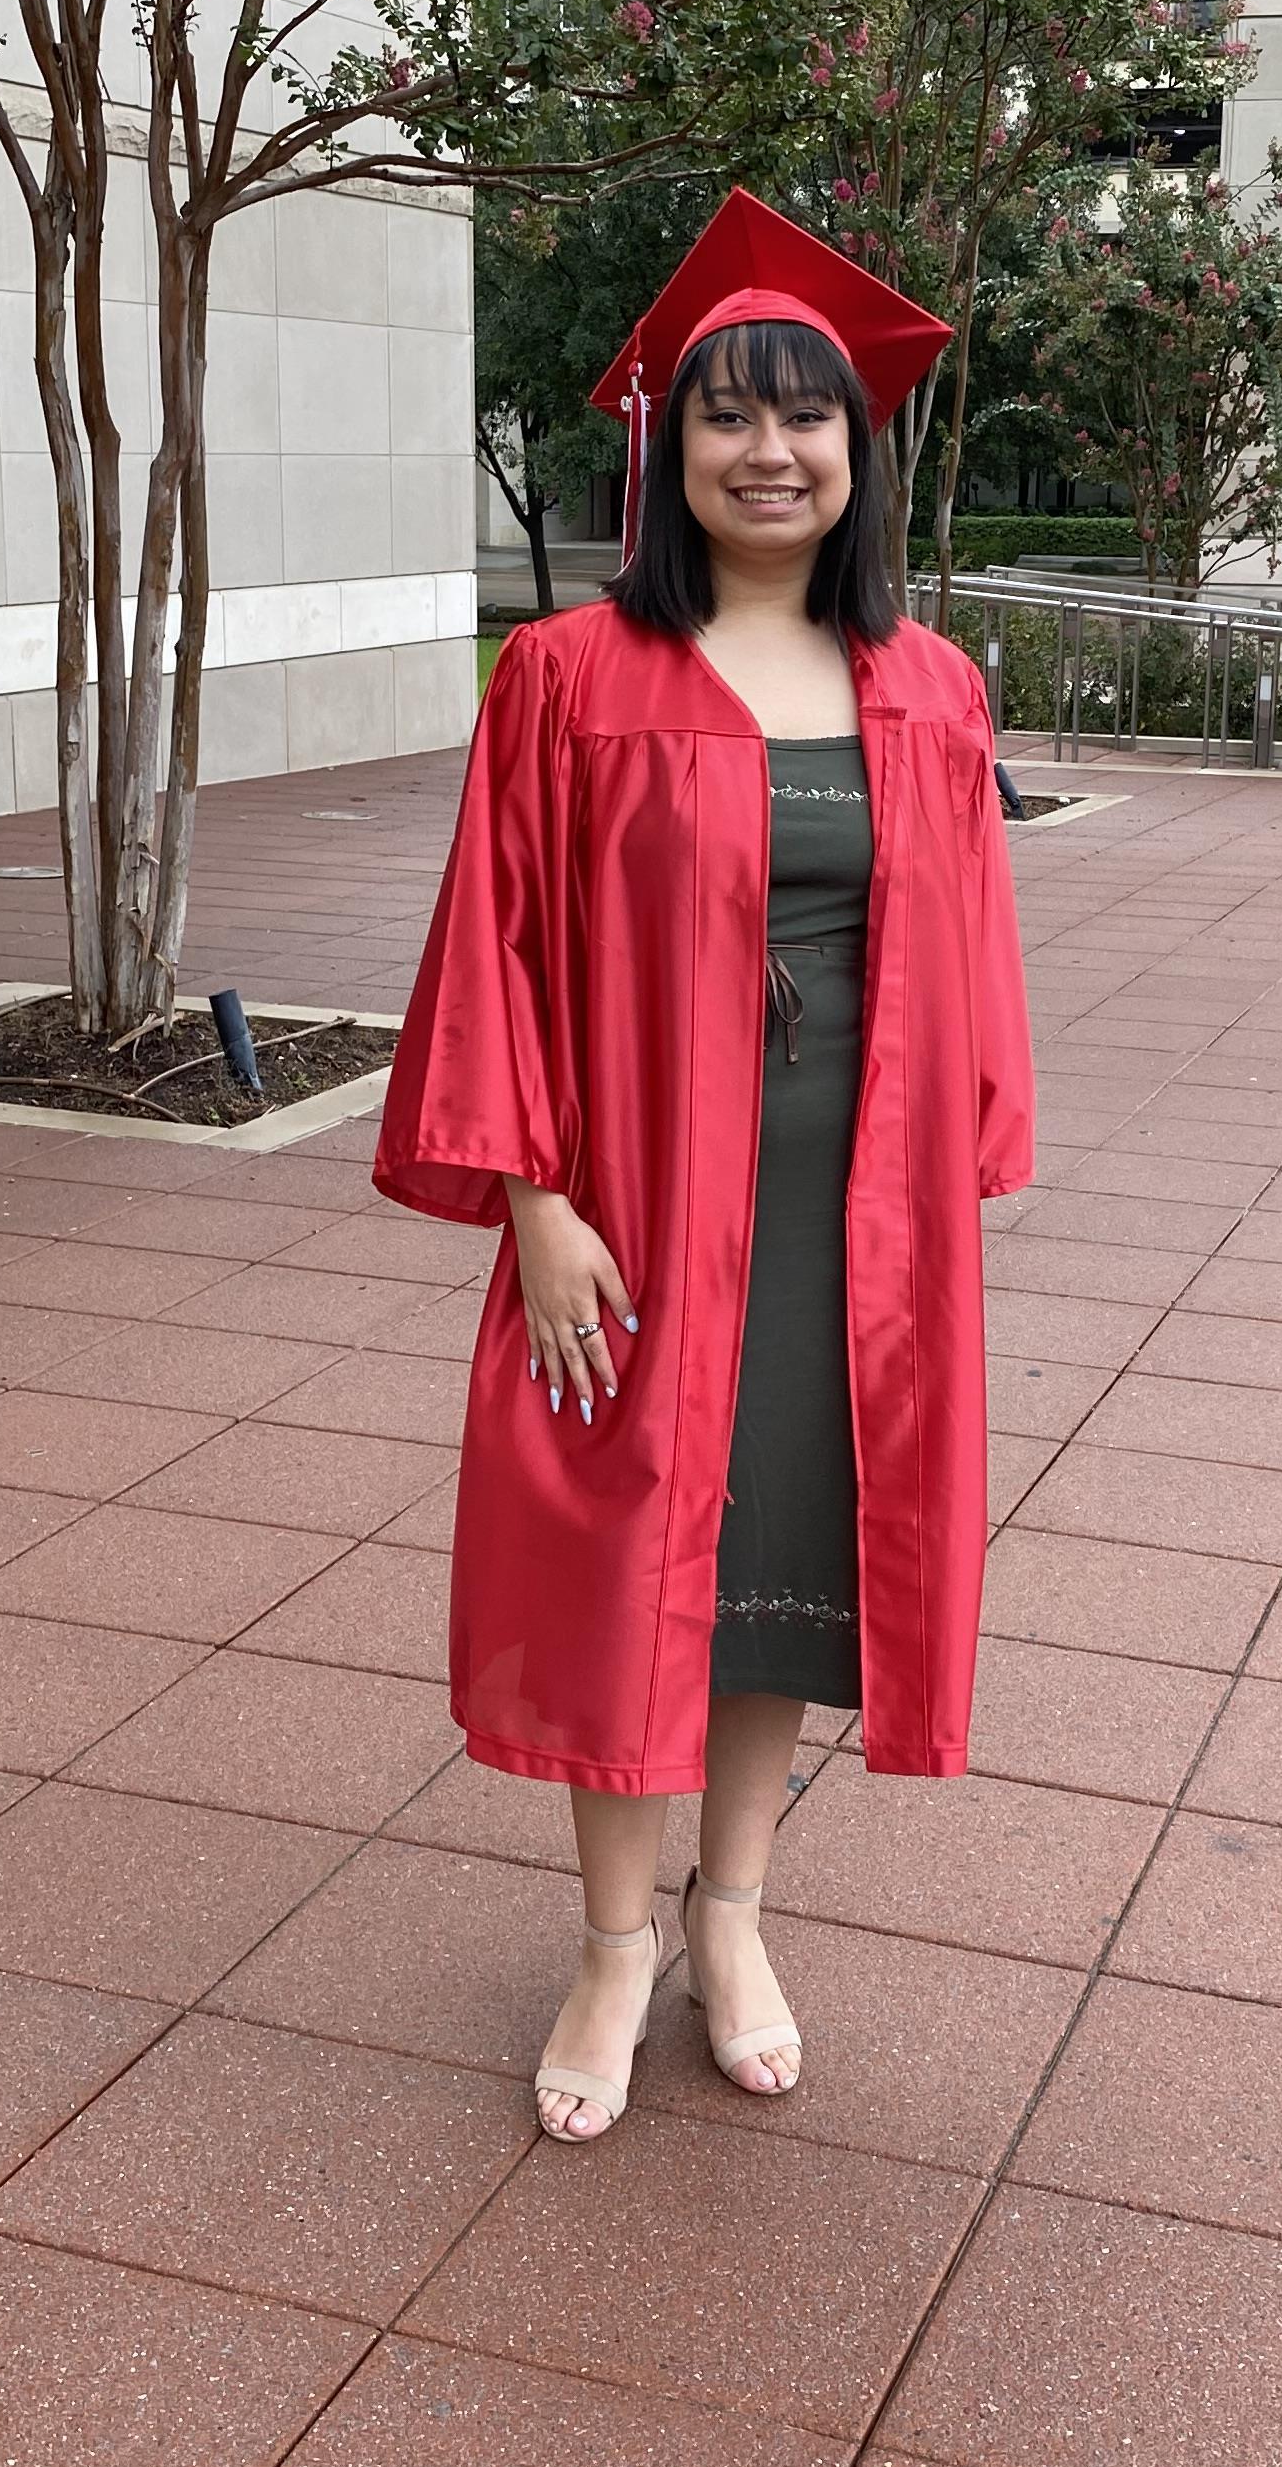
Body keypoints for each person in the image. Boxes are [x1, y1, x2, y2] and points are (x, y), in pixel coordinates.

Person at [375, 191, 1035, 2141]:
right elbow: (493, 941)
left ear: (860, 451)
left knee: (785, 1574)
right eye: (731, 417)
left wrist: (964, 1161)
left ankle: (731, 1914)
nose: (772, 450)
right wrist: (534, 1198)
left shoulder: (927, 686)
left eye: (808, 417)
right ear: (671, 447)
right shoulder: (571, 682)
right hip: (643, 1201)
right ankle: (611, 1944)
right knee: (619, 1568)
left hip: (858, 1217)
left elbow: (977, 946)